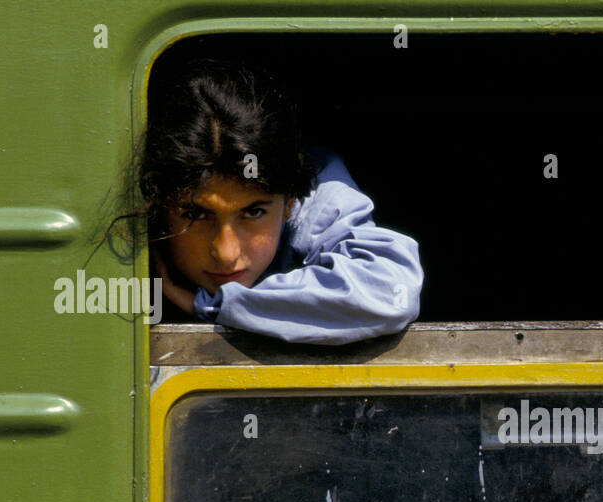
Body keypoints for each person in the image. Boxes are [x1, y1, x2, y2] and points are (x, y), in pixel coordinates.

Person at [117, 60, 422, 344]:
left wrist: (213, 305)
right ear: (158, 206)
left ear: (291, 202)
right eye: (196, 214)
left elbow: (387, 295)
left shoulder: (315, 189)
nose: (226, 254)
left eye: (253, 212)